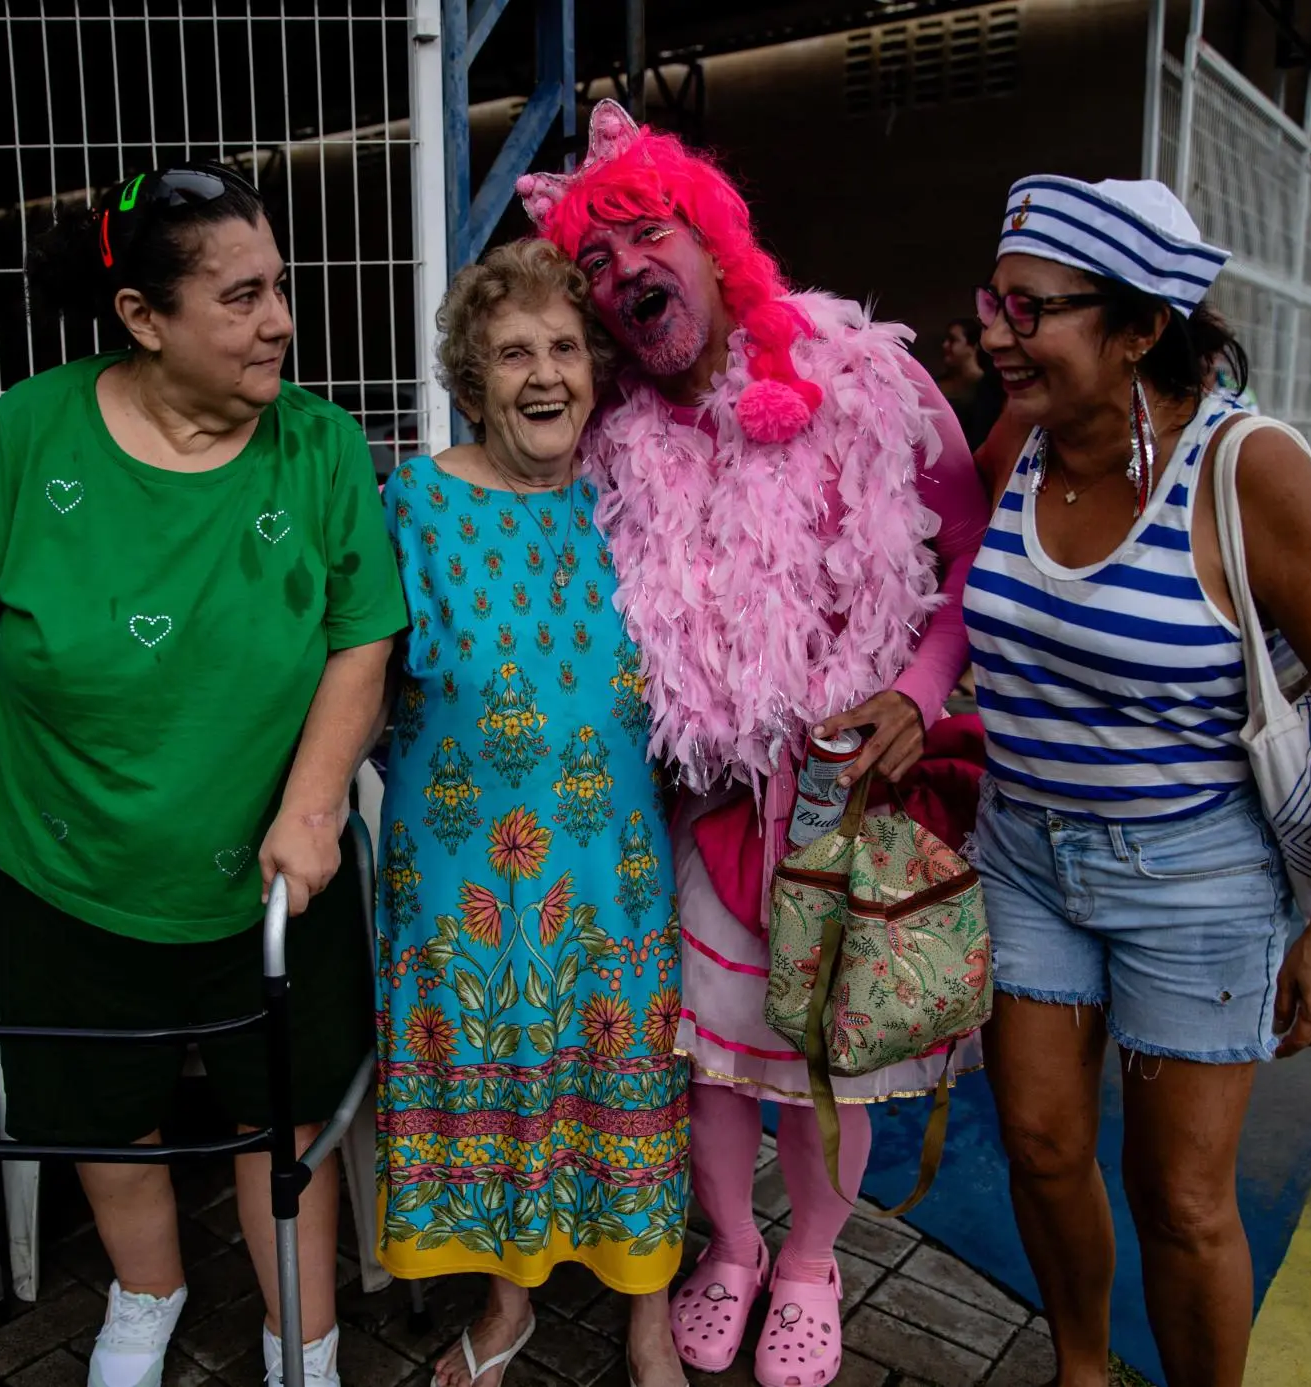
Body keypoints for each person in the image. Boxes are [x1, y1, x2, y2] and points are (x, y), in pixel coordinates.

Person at [0, 163, 406, 1387]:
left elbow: (362, 632)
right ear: (142, 318)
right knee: (99, 1108)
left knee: (277, 1116)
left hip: (271, 875)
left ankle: (304, 1337)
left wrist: (314, 802)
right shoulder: (32, 430)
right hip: (69, 870)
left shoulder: (320, 444)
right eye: (239, 298)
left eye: (278, 288)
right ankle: (147, 1292)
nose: (280, 319)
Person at [519, 102, 989, 1387]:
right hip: (712, 796)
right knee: (714, 1056)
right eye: (597, 266)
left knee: (825, 1061)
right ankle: (730, 1250)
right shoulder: (617, 432)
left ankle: (811, 1266)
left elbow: (963, 559)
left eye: (645, 239)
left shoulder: (863, 377)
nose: (624, 277)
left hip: (855, 786)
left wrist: (916, 687)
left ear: (714, 242)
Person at [963, 175, 1311, 1387]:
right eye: (994, 301)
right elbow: (968, 615)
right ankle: (1081, 1370)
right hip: (1022, 854)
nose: (997, 334)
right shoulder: (1019, 439)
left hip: (1193, 876)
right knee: (1041, 1144)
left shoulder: (1247, 468)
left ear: (1140, 325)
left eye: (1030, 309)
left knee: (1182, 1198)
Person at [373, 238, 689, 1387]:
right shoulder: (410, 501)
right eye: (512, 352)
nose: (543, 373)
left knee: (627, 1076)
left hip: (614, 869)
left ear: (597, 373)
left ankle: (646, 1317)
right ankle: (507, 1309)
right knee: (496, 1066)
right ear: (470, 380)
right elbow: (351, 676)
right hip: (462, 875)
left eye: (564, 348)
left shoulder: (635, 507)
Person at [938, 316, 1006, 449]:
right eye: (945, 340)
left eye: (953, 340)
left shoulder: (992, 388)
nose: (945, 345)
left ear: (973, 346)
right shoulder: (937, 386)